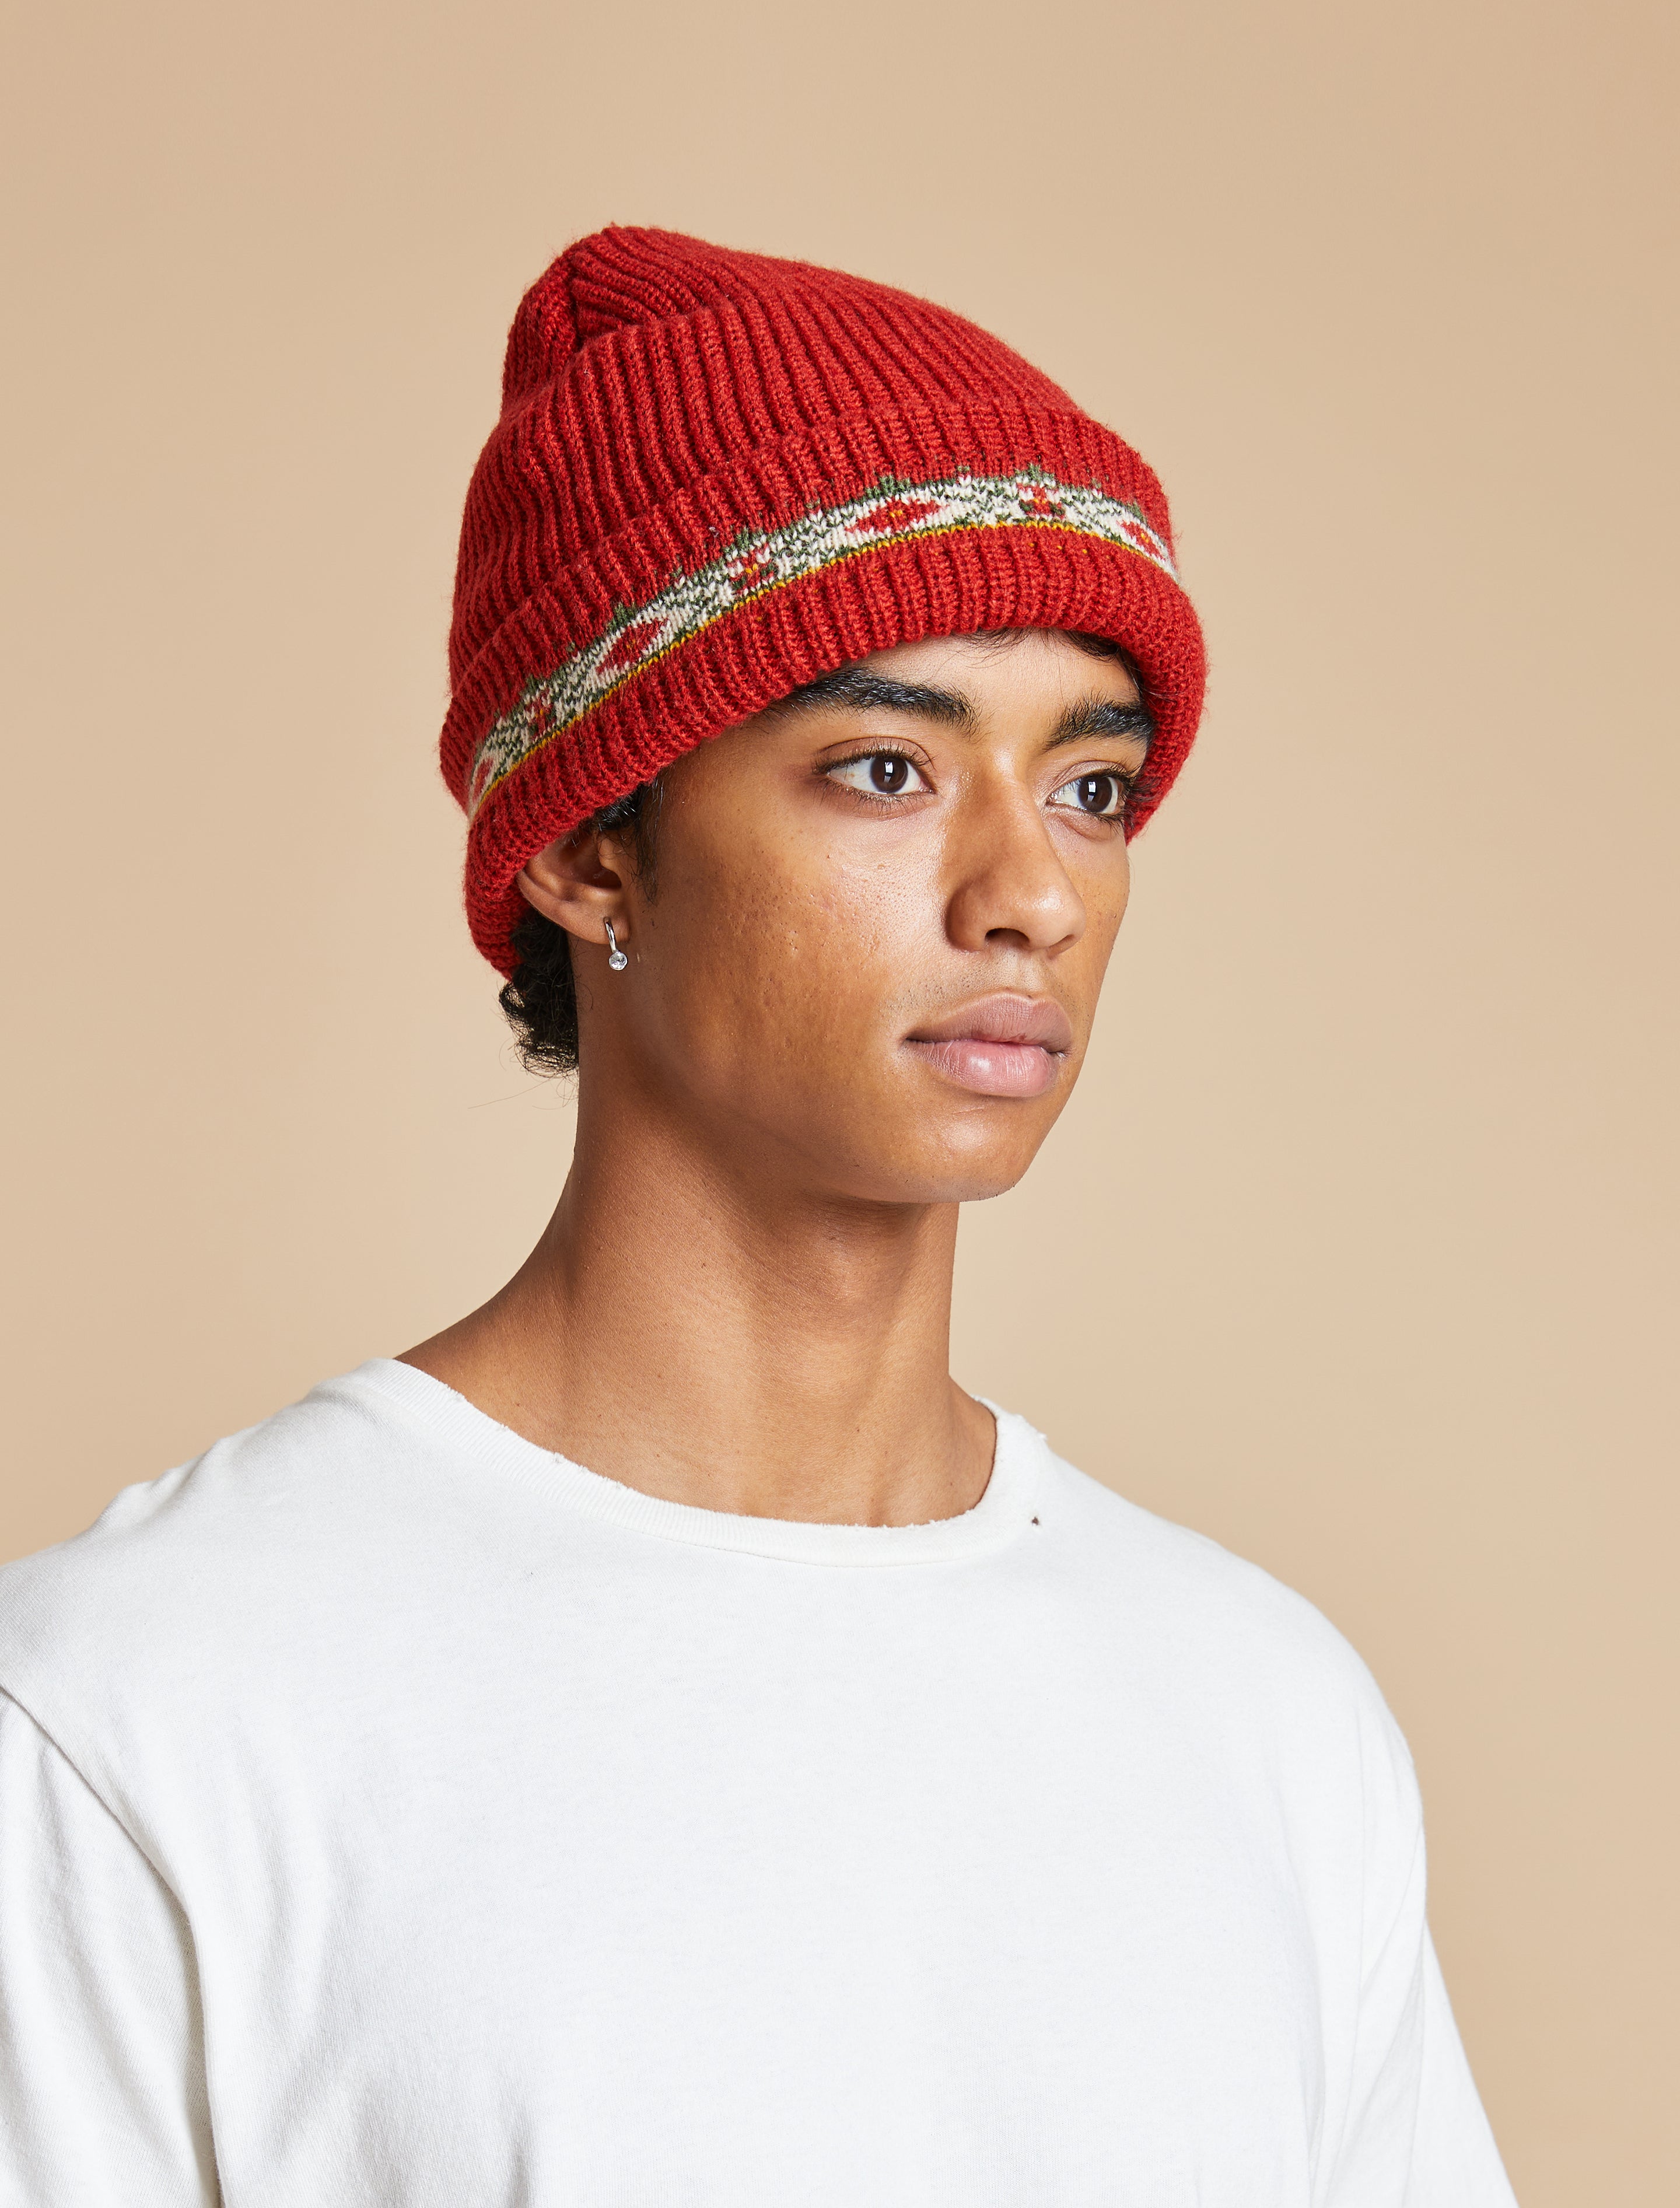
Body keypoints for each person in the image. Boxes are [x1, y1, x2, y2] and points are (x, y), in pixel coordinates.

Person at [0, 228, 1517, 2204]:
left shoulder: (1263, 1712)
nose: (1031, 897)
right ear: (589, 848)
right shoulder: (141, 1708)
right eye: (886, 768)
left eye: (1092, 786)